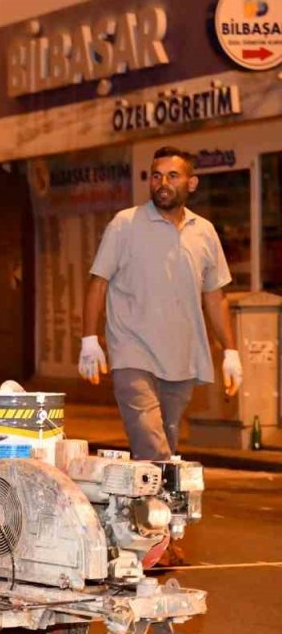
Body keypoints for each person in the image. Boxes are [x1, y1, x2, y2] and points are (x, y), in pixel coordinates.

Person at [79, 145, 241, 462]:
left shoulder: (204, 232)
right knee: (151, 442)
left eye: (172, 176)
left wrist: (230, 351)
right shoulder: (125, 224)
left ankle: (150, 507)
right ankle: (168, 503)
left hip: (182, 355)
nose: (162, 183)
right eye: (156, 176)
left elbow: (214, 295)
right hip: (132, 352)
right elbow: (98, 282)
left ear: (191, 184)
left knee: (164, 439)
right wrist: (89, 340)